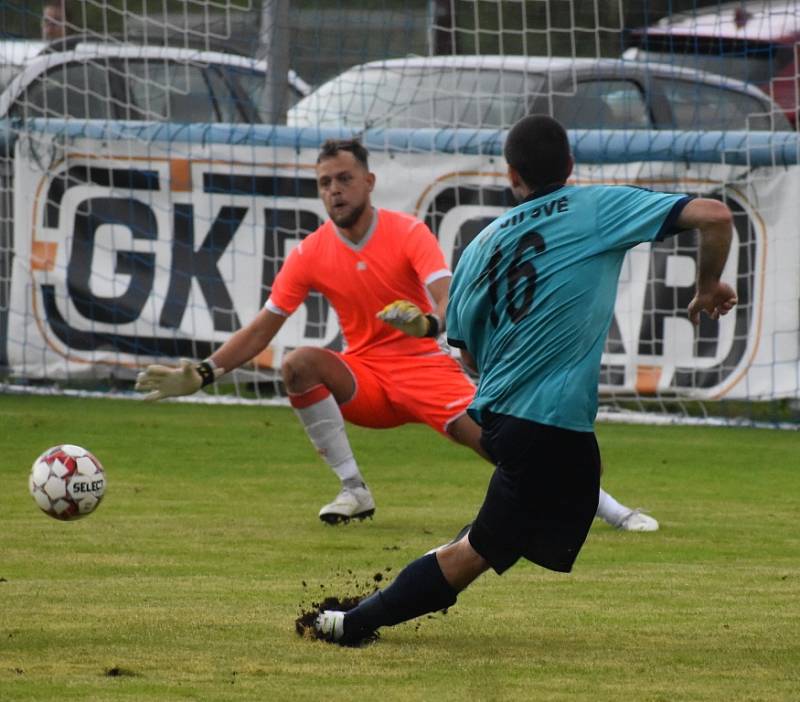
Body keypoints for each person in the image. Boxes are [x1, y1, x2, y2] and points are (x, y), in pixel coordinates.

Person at [312, 115, 737, 645]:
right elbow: (715, 215)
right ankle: (352, 623)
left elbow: (466, 358)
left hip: (511, 419)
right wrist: (708, 284)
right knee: (478, 551)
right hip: (547, 427)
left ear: (513, 175)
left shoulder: (480, 245)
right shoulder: (598, 208)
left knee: (511, 526)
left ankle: (371, 607)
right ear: (571, 165)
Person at [135, 137, 657, 532]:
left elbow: (452, 304)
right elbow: (262, 328)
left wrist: (426, 324)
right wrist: (202, 373)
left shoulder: (408, 232)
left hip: (428, 371)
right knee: (298, 363)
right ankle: (353, 489)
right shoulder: (311, 252)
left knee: (506, 449)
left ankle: (606, 508)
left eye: (343, 178)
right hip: (367, 379)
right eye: (324, 183)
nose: (334, 190)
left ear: (368, 182)